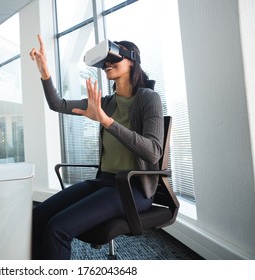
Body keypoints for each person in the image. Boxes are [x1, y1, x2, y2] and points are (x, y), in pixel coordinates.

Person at [29, 34, 164, 260]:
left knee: (58, 228)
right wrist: (44, 71)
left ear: (132, 60)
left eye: (115, 56)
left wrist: (107, 121)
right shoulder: (106, 102)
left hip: (132, 188)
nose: (107, 63)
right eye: (105, 60)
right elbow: (57, 104)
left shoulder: (148, 98)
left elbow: (152, 151)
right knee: (38, 216)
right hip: (104, 181)